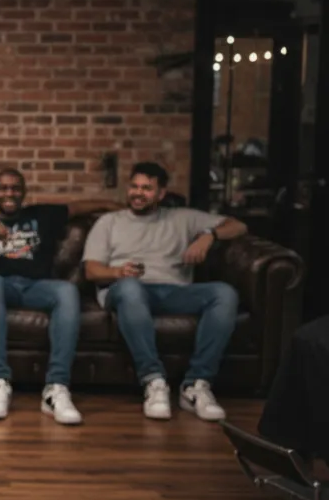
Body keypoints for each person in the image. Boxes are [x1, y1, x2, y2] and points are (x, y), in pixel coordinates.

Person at [0, 168, 120, 424]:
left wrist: (111, 204)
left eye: (15, 188)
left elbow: (78, 207)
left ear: (23, 192)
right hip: (2, 287)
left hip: (38, 287)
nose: (9, 193)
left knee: (67, 290)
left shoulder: (43, 214)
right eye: (3, 188)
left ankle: (56, 388)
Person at [82, 161, 246, 421]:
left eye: (147, 188)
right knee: (131, 289)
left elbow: (238, 226)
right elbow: (91, 270)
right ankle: (154, 381)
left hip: (173, 292)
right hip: (127, 290)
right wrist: (118, 272)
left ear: (161, 194)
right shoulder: (109, 222)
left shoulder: (182, 217)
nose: (138, 193)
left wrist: (208, 236)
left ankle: (196, 385)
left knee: (224, 293)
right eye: (134, 186)